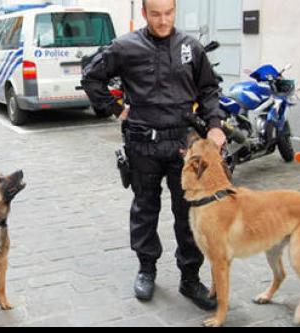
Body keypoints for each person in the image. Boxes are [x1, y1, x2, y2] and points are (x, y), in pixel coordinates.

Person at [81, 0, 227, 310]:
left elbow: (209, 88)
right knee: (145, 209)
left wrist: (214, 125)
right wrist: (116, 108)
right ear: (145, 13)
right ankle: (146, 269)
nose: (163, 20)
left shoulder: (191, 47)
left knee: (189, 214)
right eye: (156, 14)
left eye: (169, 13)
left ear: (175, 11)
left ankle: (190, 278)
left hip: (184, 145)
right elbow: (91, 77)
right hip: (142, 144)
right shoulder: (124, 47)